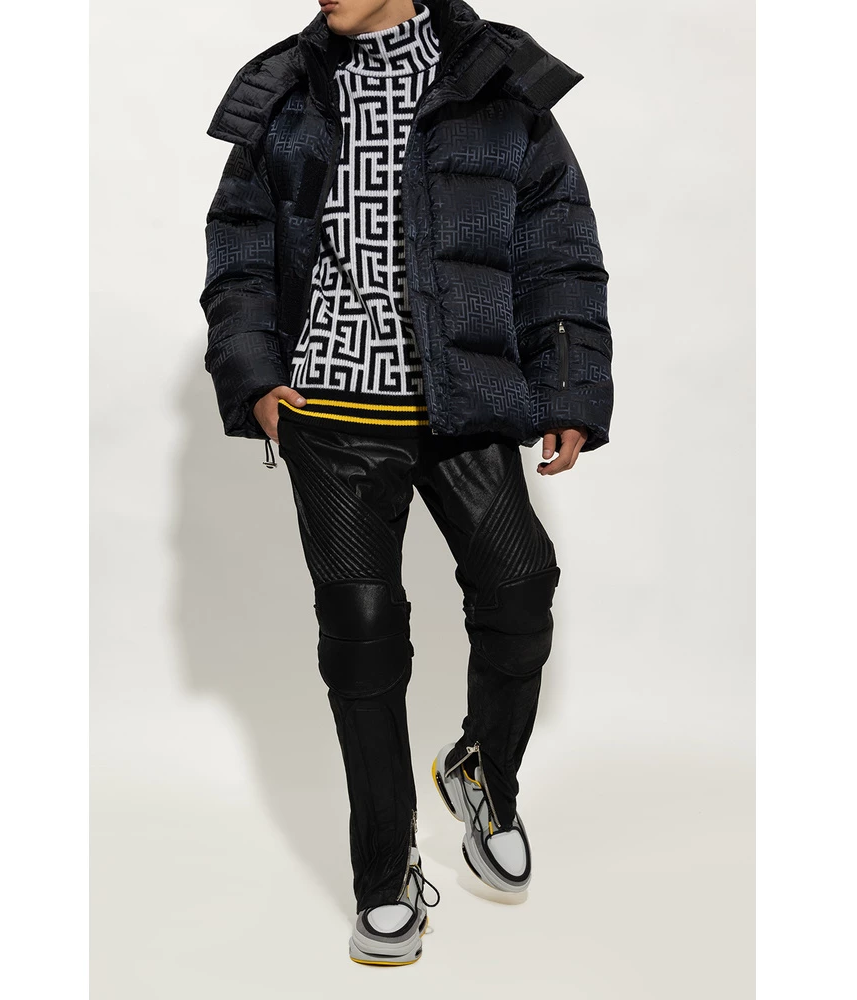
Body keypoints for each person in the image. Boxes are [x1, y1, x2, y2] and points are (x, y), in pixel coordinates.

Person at [199, 0, 613, 966]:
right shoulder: (286, 89)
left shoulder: (497, 84)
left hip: (462, 400)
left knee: (520, 587)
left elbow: (558, 247)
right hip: (331, 412)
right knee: (363, 639)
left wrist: (566, 388)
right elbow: (239, 245)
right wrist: (257, 379)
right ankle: (385, 875)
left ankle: (483, 773)